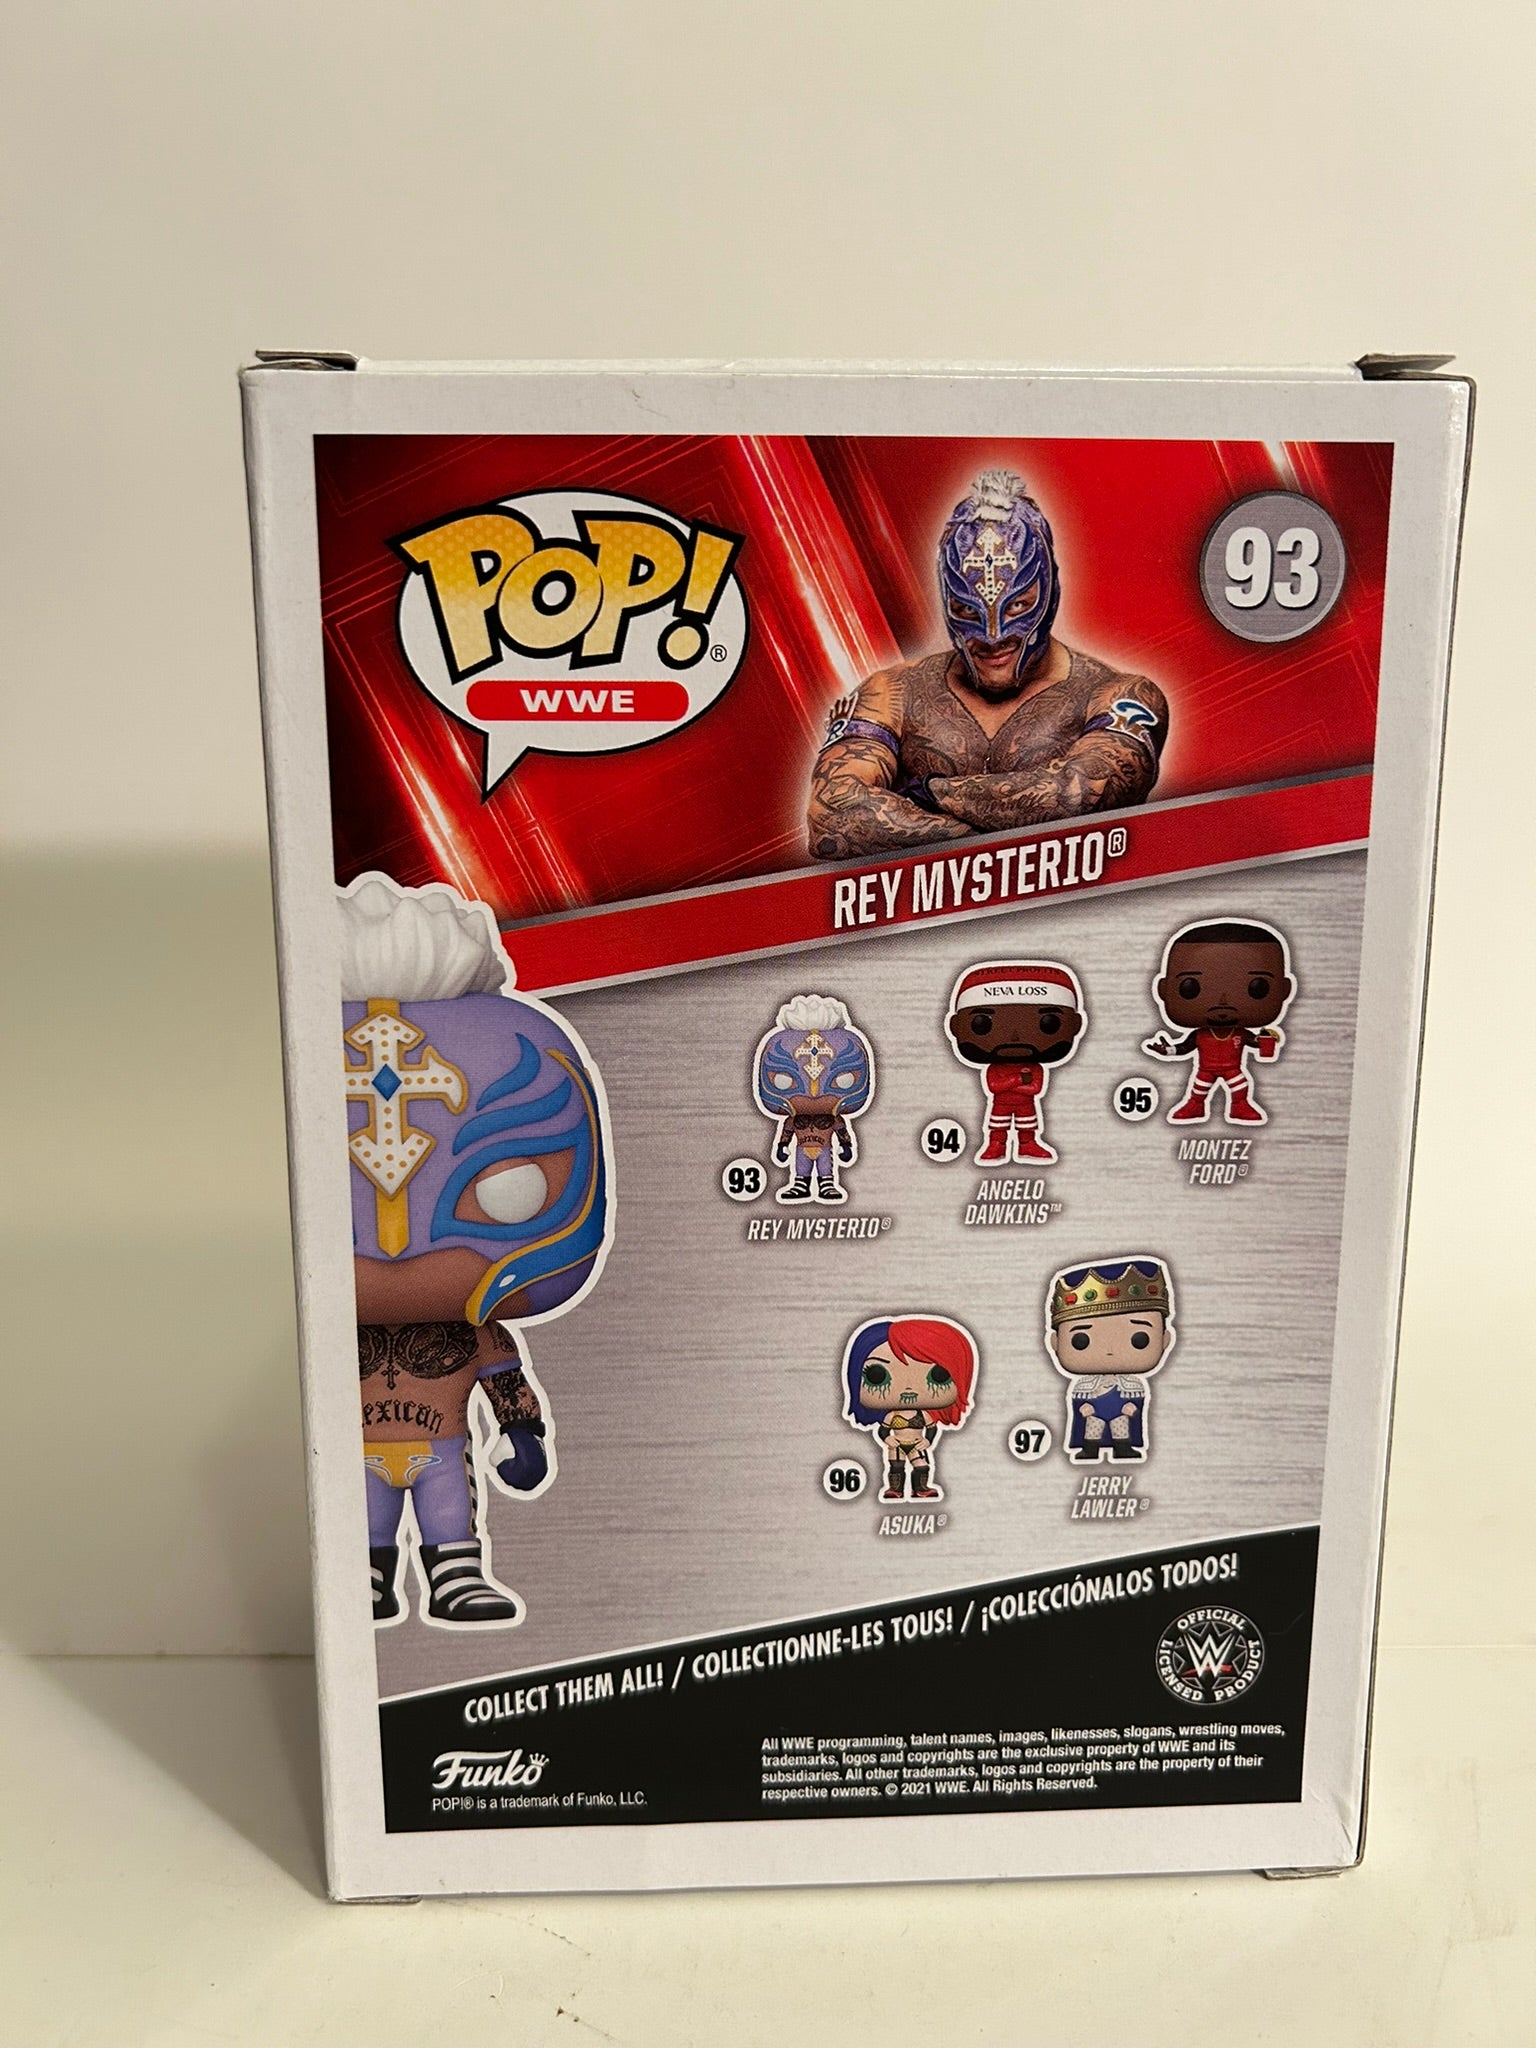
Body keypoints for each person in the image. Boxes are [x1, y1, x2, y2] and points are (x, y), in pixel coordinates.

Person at [341, 875, 611, 1628]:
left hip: (440, 1445)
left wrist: (523, 1430)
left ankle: (455, 1577)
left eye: (508, 1188)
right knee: (362, 1525)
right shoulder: (315, 1341)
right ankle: (365, 1577)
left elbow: (503, 1374)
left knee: (446, 1512)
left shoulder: (474, 1328)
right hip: (355, 1456)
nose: (396, 1254)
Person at [808, 469, 1168, 858]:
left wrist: (927, 791)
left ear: (1051, 588)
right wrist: (1002, 831)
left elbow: (1081, 795)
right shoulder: (891, 692)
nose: (993, 636)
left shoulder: (1120, 695)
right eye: (967, 610)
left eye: (1018, 606)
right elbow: (831, 818)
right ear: (946, 600)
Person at [1142, 918, 1295, 1125]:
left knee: (1239, 1086)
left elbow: (1255, 1042)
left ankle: (1240, 1106)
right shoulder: (1200, 1035)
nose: (1223, 1003)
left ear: (1284, 990)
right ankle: (1195, 1106)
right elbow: (1184, 1047)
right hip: (1205, 1069)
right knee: (1199, 1089)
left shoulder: (1240, 1034)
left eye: (1257, 988)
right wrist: (1167, 1050)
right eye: (1190, 988)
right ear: (1163, 990)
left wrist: (1266, 1042)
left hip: (1233, 1068)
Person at [944, 960, 1086, 1165]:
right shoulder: (1001, 1068)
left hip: (1025, 1106)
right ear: (955, 1027)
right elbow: (993, 1087)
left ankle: (1028, 1145)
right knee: (998, 1127)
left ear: (1075, 1025)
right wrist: (1019, 1079)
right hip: (1000, 1105)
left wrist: (1010, 1083)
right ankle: (996, 1145)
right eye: (982, 1024)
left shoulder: (1035, 1067)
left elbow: (1035, 1088)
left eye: (1048, 1023)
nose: (1015, 1037)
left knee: (1027, 1126)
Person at [1045, 1259, 1175, 1464]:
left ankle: (1124, 1449)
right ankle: (1090, 1449)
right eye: (1081, 1340)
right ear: (1055, 1342)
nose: (1110, 1350)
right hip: (1094, 1414)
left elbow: (1136, 1404)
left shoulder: (1133, 1385)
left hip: (1120, 1414)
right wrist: (1084, 1408)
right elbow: (1079, 1403)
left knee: (1121, 1430)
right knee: (1092, 1430)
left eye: (1138, 1339)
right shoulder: (1083, 1386)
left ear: (1164, 1339)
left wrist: (1131, 1408)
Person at [840, 1316, 979, 1502]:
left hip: (916, 1443)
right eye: (877, 1377)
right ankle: (895, 1489)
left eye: (938, 1376)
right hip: (897, 1444)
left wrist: (928, 1441)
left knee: (922, 1466)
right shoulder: (891, 1415)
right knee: (896, 1467)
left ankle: (920, 1489)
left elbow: (931, 1428)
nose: (908, 1389)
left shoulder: (923, 1415)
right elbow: (883, 1430)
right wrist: (887, 1438)